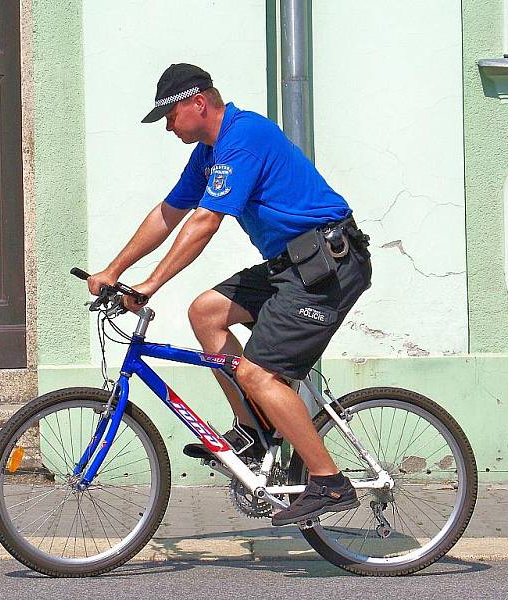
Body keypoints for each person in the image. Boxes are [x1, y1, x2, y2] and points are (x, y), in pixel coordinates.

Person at [87, 63, 372, 526]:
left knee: (259, 375)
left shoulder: (245, 137)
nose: (167, 128)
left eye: (169, 116)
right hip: (290, 266)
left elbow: (205, 221)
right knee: (205, 312)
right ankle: (253, 432)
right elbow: (169, 213)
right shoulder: (209, 152)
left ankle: (329, 482)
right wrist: (113, 271)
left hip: (329, 264)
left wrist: (149, 285)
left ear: (198, 104)